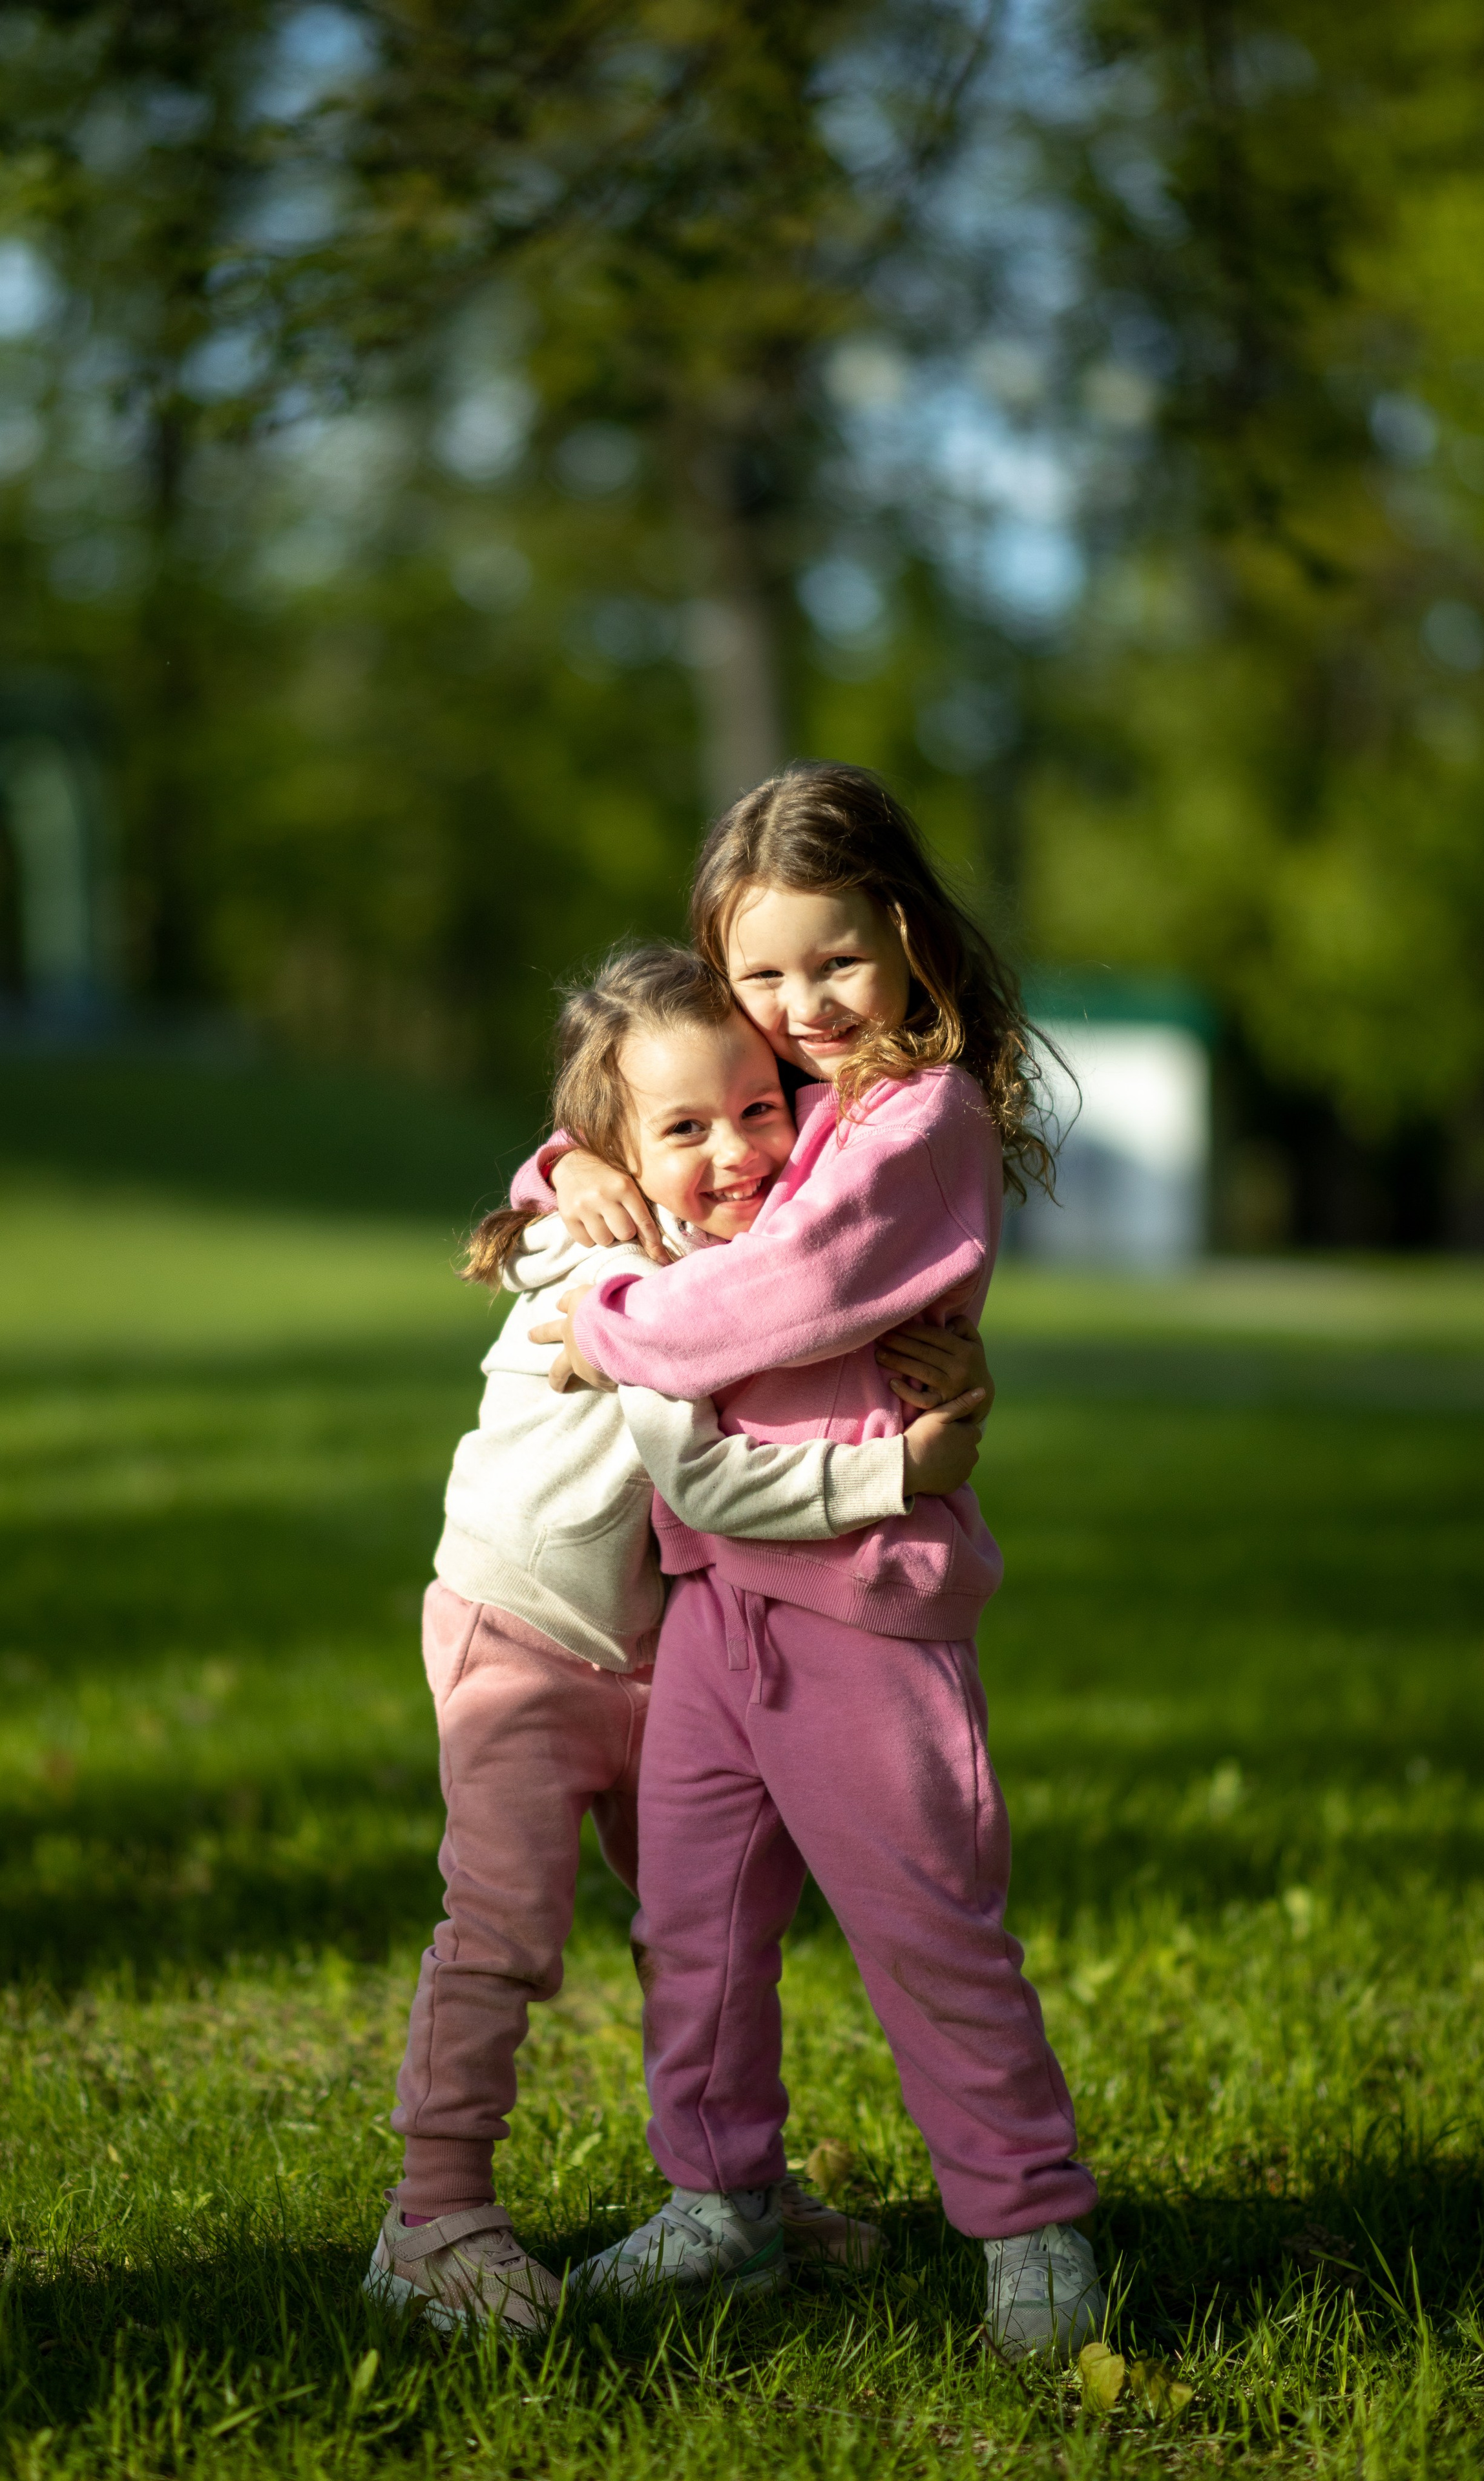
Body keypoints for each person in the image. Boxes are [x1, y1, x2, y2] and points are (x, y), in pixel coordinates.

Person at [525, 763, 1105, 2362]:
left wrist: (606, 1323)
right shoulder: (778, 1091)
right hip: (713, 1606)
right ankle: (725, 2207)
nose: (799, 1005)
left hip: (863, 1609)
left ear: (906, 934)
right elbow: (633, 1122)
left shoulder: (919, 1121)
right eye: (761, 974)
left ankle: (1027, 2225)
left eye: (833, 960)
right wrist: (561, 1176)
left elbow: (776, 1299)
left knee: (926, 1932)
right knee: (692, 1930)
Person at [364, 942, 990, 2336]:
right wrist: (907, 1471)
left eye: (757, 1111)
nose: (734, 1149)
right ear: (612, 1146)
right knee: (504, 1928)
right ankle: (431, 2216)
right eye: (685, 1128)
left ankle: (733, 2189)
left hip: (657, 1655)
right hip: (520, 1639)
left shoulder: (734, 1246)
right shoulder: (607, 1260)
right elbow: (702, 1479)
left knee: (704, 1929)